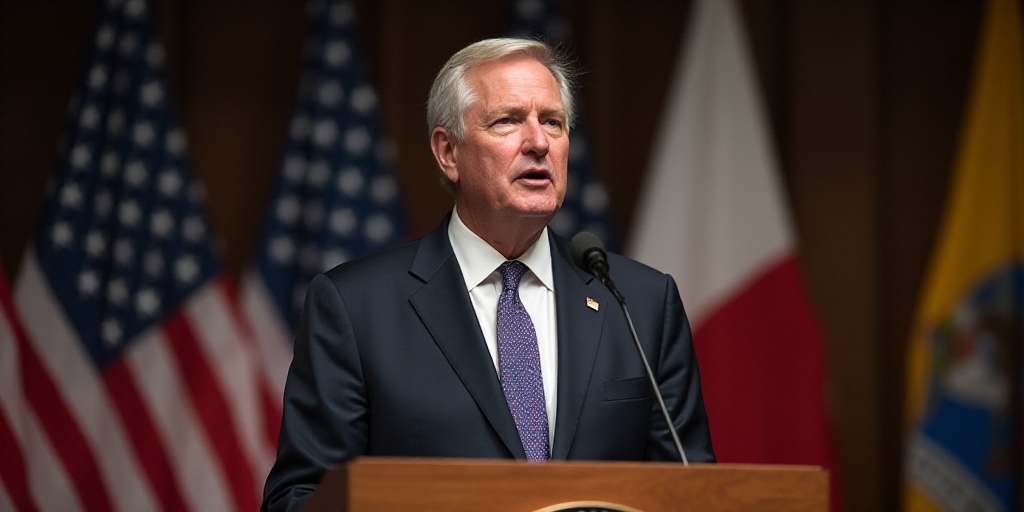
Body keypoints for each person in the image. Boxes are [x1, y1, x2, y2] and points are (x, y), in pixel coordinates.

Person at [261, 38, 715, 512]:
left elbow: (695, 493)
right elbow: (299, 498)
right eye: (508, 121)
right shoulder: (356, 307)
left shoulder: (641, 303)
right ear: (448, 152)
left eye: (553, 123)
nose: (539, 142)